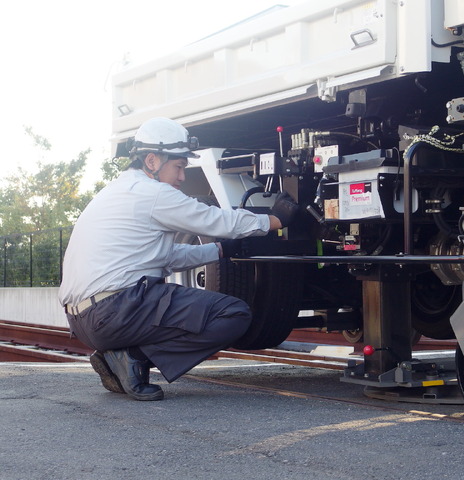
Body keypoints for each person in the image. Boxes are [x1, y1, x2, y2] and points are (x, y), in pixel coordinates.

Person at [59, 117, 298, 401]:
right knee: (234, 314)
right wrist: (274, 220)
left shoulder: (117, 191)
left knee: (173, 293)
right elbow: (215, 220)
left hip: (82, 320)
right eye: (179, 166)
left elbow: (166, 257)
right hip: (115, 311)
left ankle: (124, 357)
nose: (183, 176)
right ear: (152, 161)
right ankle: (131, 357)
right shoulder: (154, 193)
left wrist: (220, 251)